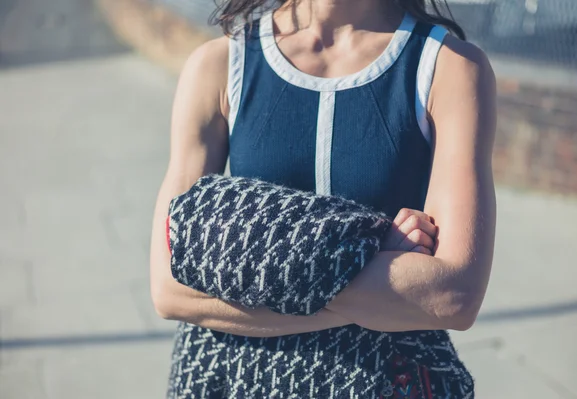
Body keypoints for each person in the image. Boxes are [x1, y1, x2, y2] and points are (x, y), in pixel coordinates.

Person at [149, 0, 497, 397]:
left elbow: (453, 295)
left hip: (380, 383)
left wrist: (247, 269)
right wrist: (371, 257)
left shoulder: (449, 68)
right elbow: (169, 287)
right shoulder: (219, 63)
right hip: (232, 379)